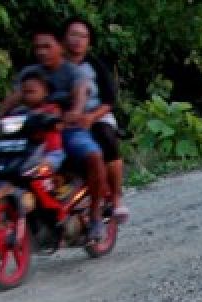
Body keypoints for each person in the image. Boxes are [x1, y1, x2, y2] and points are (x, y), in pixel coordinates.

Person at [0, 26, 108, 243]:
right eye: (38, 47)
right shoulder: (30, 74)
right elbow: (13, 99)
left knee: (94, 156)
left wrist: (76, 111)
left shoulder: (73, 72)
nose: (41, 52)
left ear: (60, 47)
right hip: (33, 133)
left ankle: (95, 216)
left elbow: (80, 93)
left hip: (67, 130)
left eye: (47, 46)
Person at [63, 16, 128, 223]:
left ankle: (116, 197)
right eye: (73, 34)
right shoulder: (55, 65)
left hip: (96, 115)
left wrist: (91, 117)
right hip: (62, 121)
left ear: (89, 41)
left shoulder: (95, 66)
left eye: (83, 36)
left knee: (106, 139)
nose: (78, 40)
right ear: (64, 37)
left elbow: (109, 100)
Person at [13, 68, 65, 172]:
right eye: (24, 92)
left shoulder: (51, 108)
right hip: (25, 151)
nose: (27, 96)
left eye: (31, 92)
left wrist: (49, 119)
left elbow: (58, 122)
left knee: (39, 169)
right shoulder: (19, 111)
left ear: (45, 92)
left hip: (49, 152)